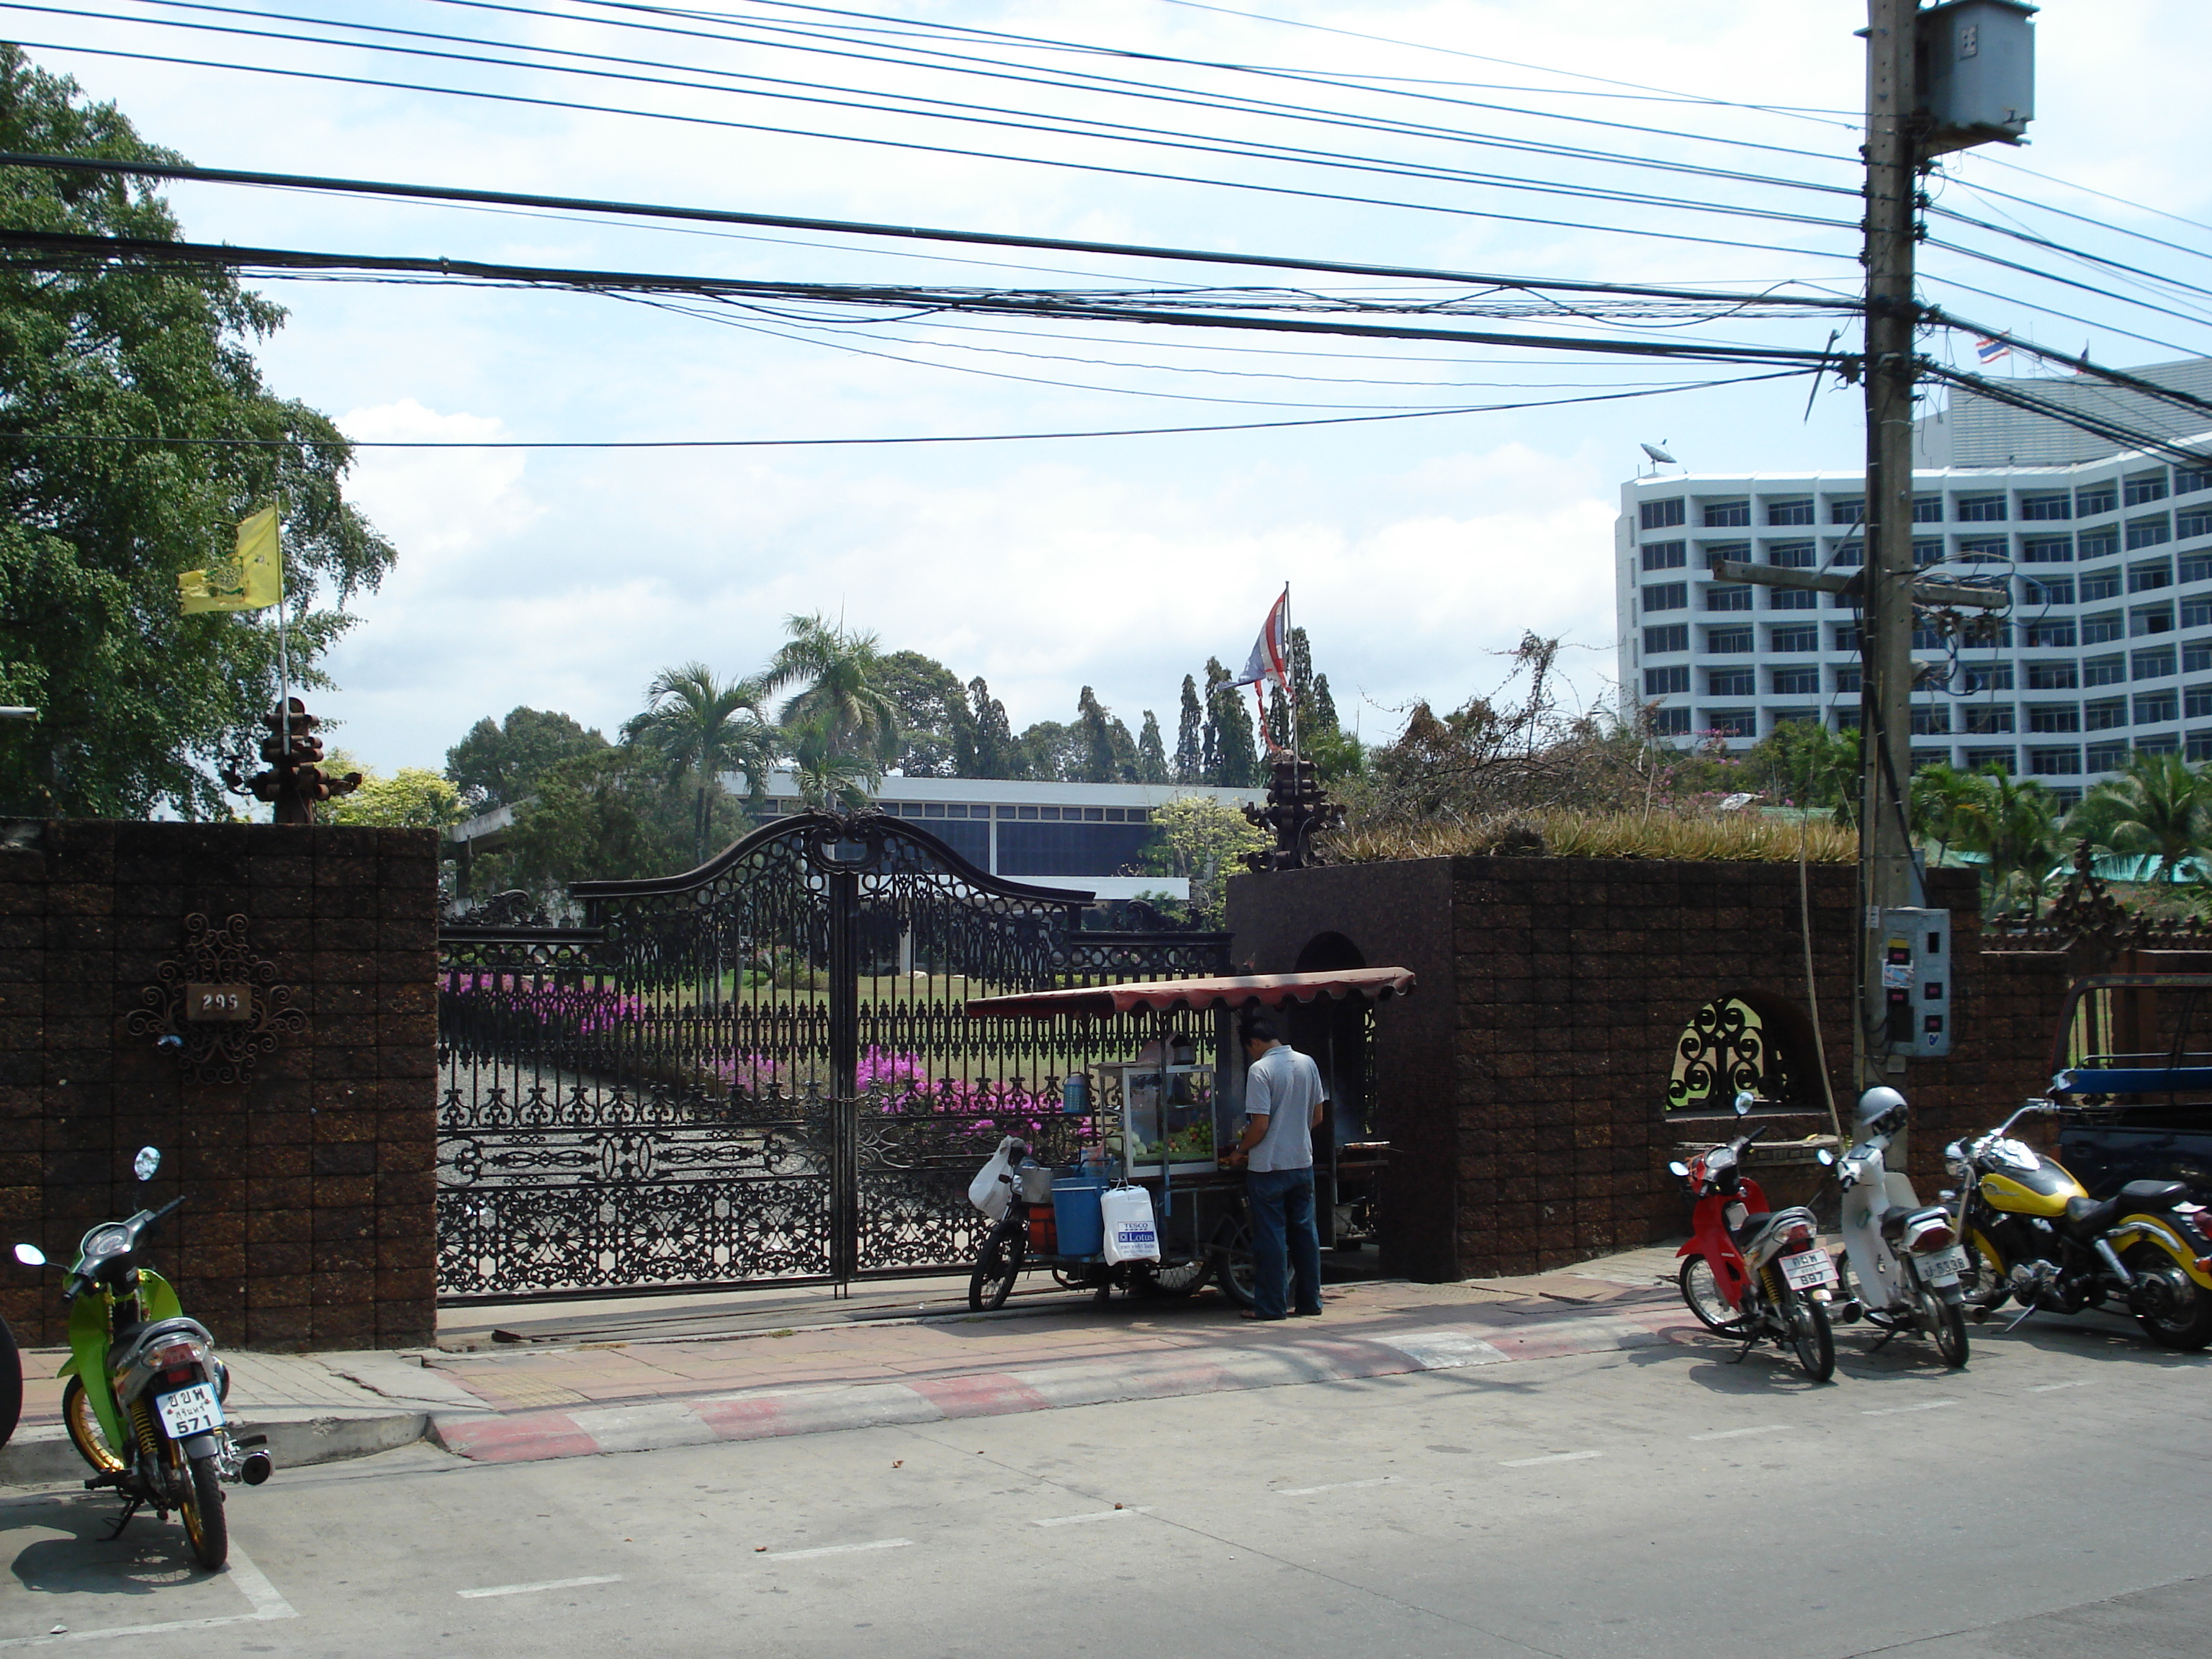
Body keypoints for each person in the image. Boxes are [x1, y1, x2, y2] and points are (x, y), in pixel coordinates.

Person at [1226, 1012, 1327, 1321]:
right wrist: (1294, 1134)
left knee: (1271, 1238)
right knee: (1305, 1235)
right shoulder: (1308, 1063)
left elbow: (1259, 1126)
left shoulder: (1261, 1070)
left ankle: (1271, 1307)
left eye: (1250, 1048)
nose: (1251, 1054)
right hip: (1302, 1164)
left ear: (1255, 1042)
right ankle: (1310, 1302)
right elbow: (1318, 1116)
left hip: (1268, 1169)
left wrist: (1239, 1151)